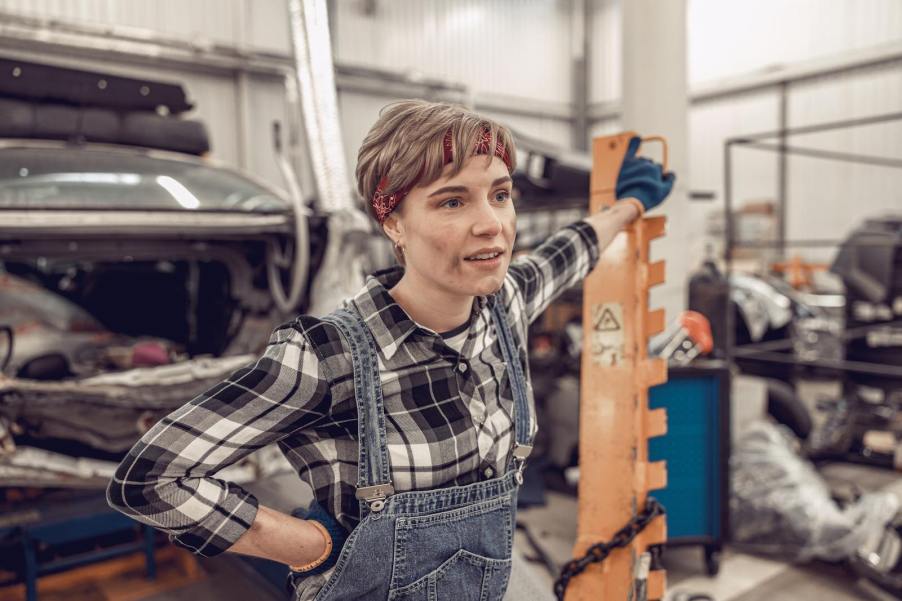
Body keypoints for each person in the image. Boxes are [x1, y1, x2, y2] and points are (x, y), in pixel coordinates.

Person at [107, 99, 674, 601]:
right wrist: (306, 546)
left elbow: (569, 250)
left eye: (500, 195)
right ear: (394, 222)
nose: (492, 225)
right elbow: (150, 479)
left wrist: (629, 205)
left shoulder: (508, 304)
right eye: (452, 202)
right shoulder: (326, 355)